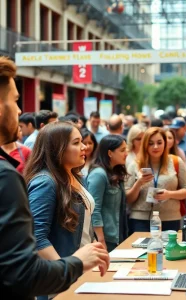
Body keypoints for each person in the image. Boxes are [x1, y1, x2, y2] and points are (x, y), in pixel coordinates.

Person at [0, 56, 109, 299]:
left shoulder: (72, 177)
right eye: (15, 100)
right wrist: (70, 268)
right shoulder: (40, 181)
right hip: (59, 281)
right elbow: (32, 249)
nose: (19, 110)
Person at [24, 122, 100, 299]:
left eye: (82, 141)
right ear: (57, 148)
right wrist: (65, 270)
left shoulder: (76, 176)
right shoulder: (45, 182)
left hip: (80, 271)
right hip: (59, 279)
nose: (84, 147)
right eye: (76, 143)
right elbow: (36, 237)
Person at [126, 127, 186, 233]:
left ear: (165, 144)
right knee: (141, 249)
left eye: (159, 142)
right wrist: (139, 183)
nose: (155, 147)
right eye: (150, 143)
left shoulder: (176, 162)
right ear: (145, 145)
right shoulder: (135, 164)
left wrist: (169, 194)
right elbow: (128, 199)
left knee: (169, 249)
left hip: (170, 218)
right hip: (140, 219)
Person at [87, 135, 128, 252]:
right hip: (106, 238)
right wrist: (101, 240)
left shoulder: (115, 171)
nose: (126, 153)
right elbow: (94, 209)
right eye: (122, 150)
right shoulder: (99, 174)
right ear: (110, 153)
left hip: (117, 234)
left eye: (126, 149)